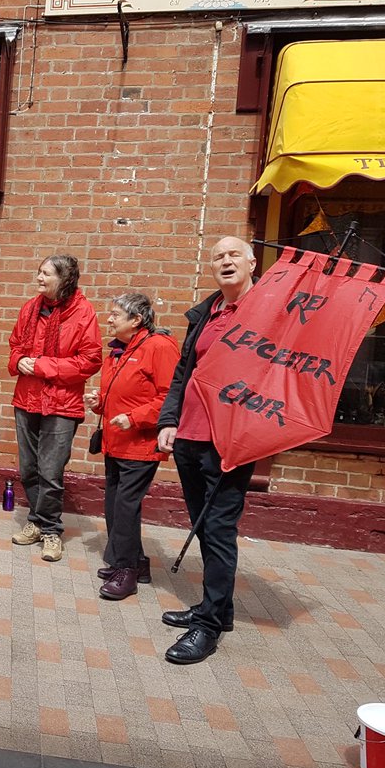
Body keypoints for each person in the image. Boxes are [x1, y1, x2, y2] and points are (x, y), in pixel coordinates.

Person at [156, 236, 259, 665]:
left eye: (234, 254)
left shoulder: (266, 314)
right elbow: (184, 371)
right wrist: (168, 420)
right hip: (190, 438)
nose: (226, 261)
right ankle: (220, 608)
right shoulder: (208, 312)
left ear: (253, 262)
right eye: (218, 257)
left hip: (230, 442)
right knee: (203, 526)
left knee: (218, 530)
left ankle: (209, 627)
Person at [83, 293, 180, 600]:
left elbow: (170, 397)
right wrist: (98, 403)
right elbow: (118, 393)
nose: (108, 319)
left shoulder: (159, 347)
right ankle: (137, 563)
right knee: (115, 506)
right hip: (115, 442)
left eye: (115, 315)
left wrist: (135, 418)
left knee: (124, 507)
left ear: (136, 320)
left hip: (140, 444)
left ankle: (125, 572)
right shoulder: (117, 351)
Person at [7, 254, 101, 562]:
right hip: (27, 399)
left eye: (45, 274)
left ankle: (50, 530)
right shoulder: (30, 308)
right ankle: (35, 521)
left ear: (64, 279)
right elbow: (16, 344)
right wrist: (18, 360)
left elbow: (89, 361)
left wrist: (43, 366)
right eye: (39, 272)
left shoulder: (83, 312)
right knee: (28, 468)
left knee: (50, 472)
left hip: (62, 405)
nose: (39, 278)